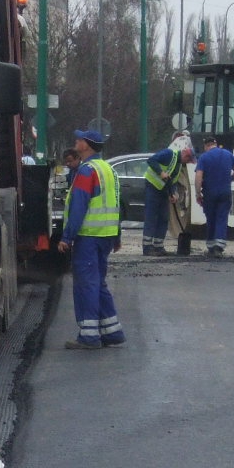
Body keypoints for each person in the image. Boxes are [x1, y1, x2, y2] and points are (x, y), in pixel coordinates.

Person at [58, 129, 126, 349]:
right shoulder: (109, 169)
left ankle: (89, 336)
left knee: (86, 284)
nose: (75, 141)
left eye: (79, 139)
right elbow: (116, 205)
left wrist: (67, 237)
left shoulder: (87, 171)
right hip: (105, 236)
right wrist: (116, 235)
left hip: (88, 237)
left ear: (86, 145)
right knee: (98, 282)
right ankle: (112, 331)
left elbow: (79, 206)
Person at [141, 132, 191, 255]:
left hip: (163, 191)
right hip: (152, 187)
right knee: (151, 217)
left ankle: (159, 246)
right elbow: (151, 160)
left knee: (163, 218)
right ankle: (147, 247)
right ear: (184, 153)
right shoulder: (169, 154)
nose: (188, 162)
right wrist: (160, 172)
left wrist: (173, 193)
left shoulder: (179, 165)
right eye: (188, 159)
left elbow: (172, 181)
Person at [194, 134, 234, 257]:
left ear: (206, 146)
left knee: (211, 218)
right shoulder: (228, 154)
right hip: (225, 192)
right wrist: (231, 178)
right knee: (222, 218)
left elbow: (198, 176)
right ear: (215, 143)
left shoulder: (204, 157)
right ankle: (219, 246)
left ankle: (211, 247)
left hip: (210, 193)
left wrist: (198, 193)